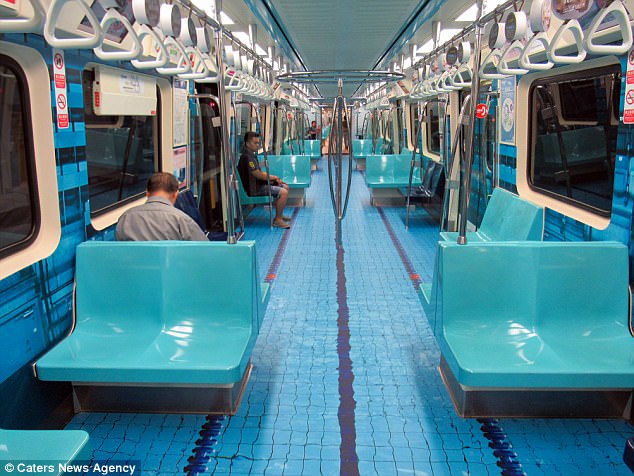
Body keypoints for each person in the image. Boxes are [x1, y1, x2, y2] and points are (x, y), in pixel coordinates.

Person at [116, 172, 208, 241]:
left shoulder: (125, 218)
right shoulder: (182, 220)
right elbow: (205, 250)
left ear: (147, 193)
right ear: (176, 194)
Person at [238, 131, 291, 229]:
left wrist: (273, 180)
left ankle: (280, 214)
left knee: (285, 186)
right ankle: (277, 220)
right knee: (283, 192)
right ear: (247, 143)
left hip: (258, 184)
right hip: (254, 189)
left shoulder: (251, 155)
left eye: (258, 143)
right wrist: (274, 178)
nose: (257, 145)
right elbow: (257, 174)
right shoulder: (247, 157)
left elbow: (259, 174)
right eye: (255, 143)